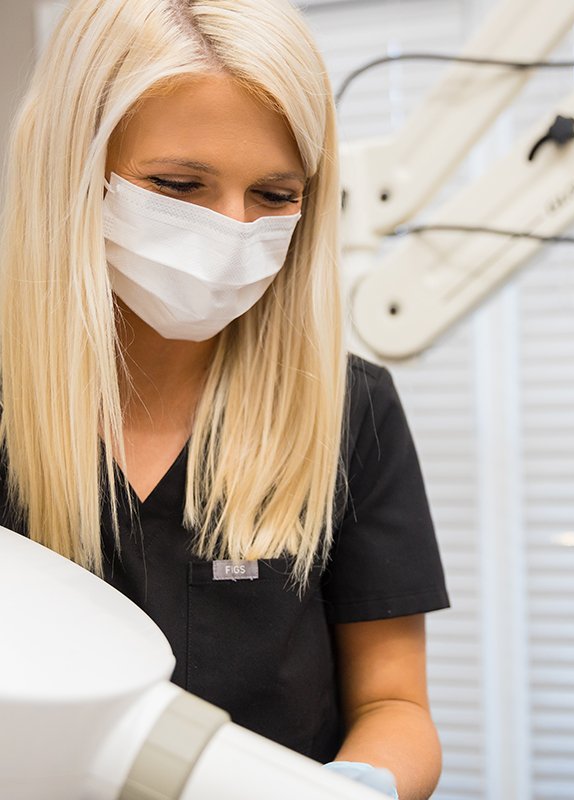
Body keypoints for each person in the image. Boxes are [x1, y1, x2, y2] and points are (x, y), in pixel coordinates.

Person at [0, 1, 449, 798]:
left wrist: (357, 785)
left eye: (274, 196)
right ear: (75, 167)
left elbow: (393, 701)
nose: (233, 231)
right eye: (180, 185)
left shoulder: (350, 411)